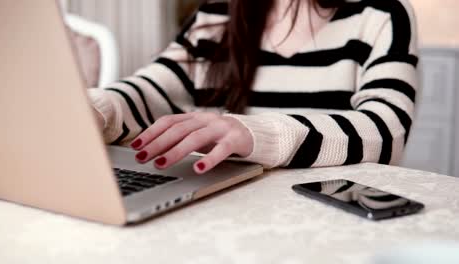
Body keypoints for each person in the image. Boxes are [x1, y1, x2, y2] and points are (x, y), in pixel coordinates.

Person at [88, 0, 419, 174]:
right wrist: (99, 109)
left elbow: (387, 130)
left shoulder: (383, 12)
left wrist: (258, 134)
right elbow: (154, 89)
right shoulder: (215, 14)